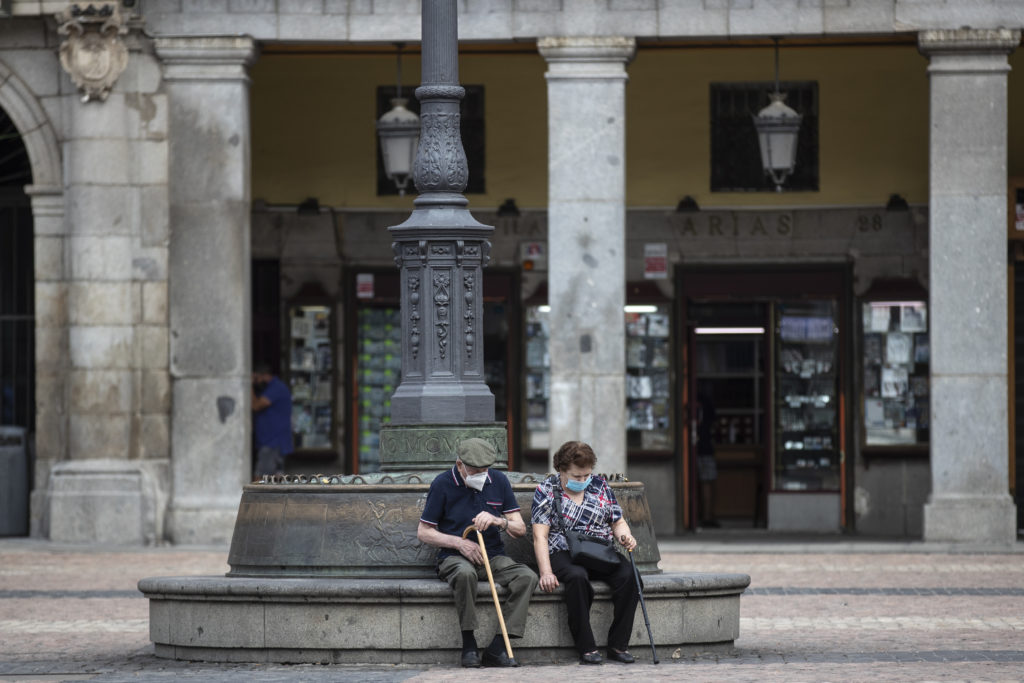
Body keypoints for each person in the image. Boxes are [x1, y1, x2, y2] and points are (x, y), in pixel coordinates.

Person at [417, 438, 538, 668]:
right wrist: (459, 543)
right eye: (475, 470)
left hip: (491, 555)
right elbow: (424, 532)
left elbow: (519, 529)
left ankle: (499, 646)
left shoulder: (498, 481)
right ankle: (469, 643)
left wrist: (497, 520)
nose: (481, 475)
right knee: (465, 574)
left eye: (485, 470)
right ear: (460, 464)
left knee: (527, 577)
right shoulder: (443, 483)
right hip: (454, 556)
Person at [531, 440, 640, 665]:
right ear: (561, 469)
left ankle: (618, 645)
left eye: (586, 476)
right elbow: (540, 536)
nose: (582, 481)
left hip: (598, 549)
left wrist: (624, 536)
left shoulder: (599, 485)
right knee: (577, 577)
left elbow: (617, 521)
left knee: (630, 576)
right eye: (576, 476)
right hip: (563, 550)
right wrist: (546, 572)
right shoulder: (547, 490)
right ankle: (586, 646)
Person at [252, 362, 293, 476]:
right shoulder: (269, 388)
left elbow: (256, 405)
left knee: (261, 478)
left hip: (272, 442)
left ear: (264, 375)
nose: (256, 382)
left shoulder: (276, 388)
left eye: (257, 378)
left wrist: (248, 385)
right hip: (270, 441)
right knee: (276, 478)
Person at [696, 391, 719, 528]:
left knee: (705, 482)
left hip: (697, 448)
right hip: (705, 448)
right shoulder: (706, 401)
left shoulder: (699, 401)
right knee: (707, 481)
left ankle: (705, 515)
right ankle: (707, 516)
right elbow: (714, 425)